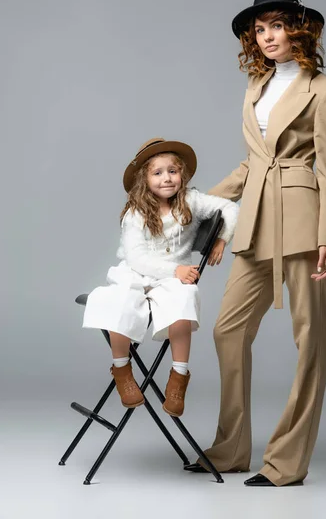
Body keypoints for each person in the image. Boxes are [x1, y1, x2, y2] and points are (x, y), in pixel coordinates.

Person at [184, 0, 326, 486]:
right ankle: (232, 449)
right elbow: (251, 163)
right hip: (254, 221)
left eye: (276, 25)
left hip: (301, 221)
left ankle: (287, 461)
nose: (268, 36)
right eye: (260, 29)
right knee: (228, 330)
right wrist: (194, 203)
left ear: (299, 29)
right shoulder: (256, 88)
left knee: (311, 340)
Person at [82, 138, 239, 417]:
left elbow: (231, 208)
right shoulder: (136, 212)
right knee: (119, 300)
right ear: (145, 179)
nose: (166, 178)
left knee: (185, 297)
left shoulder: (191, 200)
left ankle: (178, 378)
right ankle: (122, 369)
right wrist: (175, 270)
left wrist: (222, 240)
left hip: (172, 279)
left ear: (182, 175)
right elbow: (136, 258)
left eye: (172, 171)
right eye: (157, 173)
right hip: (137, 272)